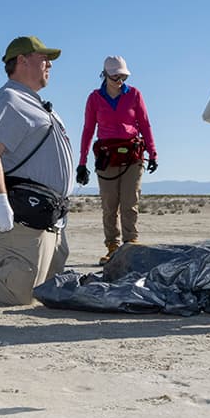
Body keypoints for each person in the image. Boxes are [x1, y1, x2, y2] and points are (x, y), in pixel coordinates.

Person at [0, 35, 75, 306]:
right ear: (22, 60)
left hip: (49, 217)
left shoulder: (35, 103)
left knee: (41, 293)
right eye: (44, 58)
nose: (49, 66)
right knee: (15, 291)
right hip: (25, 216)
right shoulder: (9, 99)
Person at [76, 56, 158, 263]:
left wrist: (152, 153)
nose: (119, 80)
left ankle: (130, 245)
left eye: (122, 76)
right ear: (105, 75)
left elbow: (145, 124)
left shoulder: (135, 95)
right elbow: (88, 130)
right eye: (115, 76)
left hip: (133, 155)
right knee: (109, 203)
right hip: (106, 156)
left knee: (130, 202)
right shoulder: (95, 98)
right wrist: (82, 162)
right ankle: (112, 247)